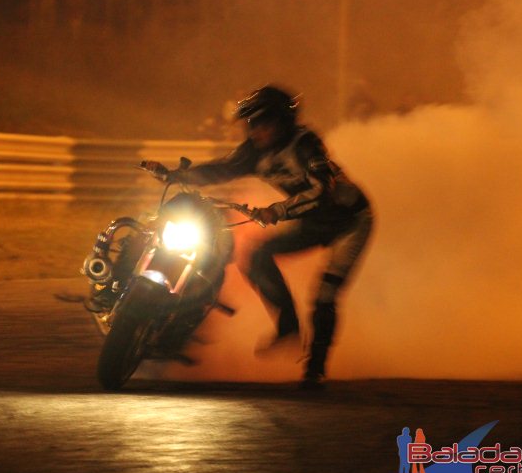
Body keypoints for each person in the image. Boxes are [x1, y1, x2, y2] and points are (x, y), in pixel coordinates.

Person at [143, 85, 374, 389]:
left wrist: (277, 210)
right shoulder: (253, 152)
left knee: (324, 296)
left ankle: (315, 370)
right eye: (250, 124)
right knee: (256, 257)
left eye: (262, 123)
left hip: (350, 222)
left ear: (282, 121)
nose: (254, 131)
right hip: (313, 222)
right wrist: (176, 176)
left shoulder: (306, 145)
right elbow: (220, 170)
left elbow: (322, 191)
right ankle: (288, 328)